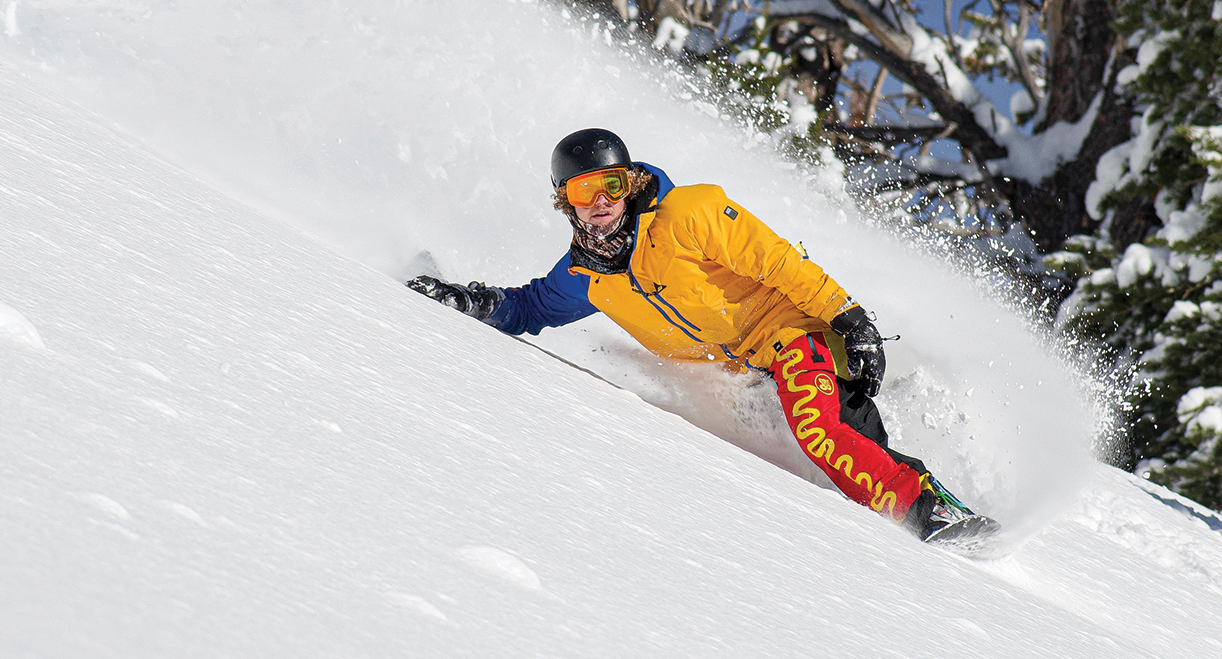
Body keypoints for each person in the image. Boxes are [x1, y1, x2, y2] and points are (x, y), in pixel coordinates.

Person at [409, 127, 977, 541]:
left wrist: (851, 321)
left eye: (610, 185)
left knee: (820, 435)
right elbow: (528, 307)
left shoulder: (688, 213)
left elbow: (779, 262)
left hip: (794, 334)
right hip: (750, 375)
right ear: (566, 203)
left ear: (629, 184)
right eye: (584, 192)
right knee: (847, 453)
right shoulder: (588, 278)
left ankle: (925, 513)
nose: (601, 202)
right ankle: (943, 508)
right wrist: (467, 302)